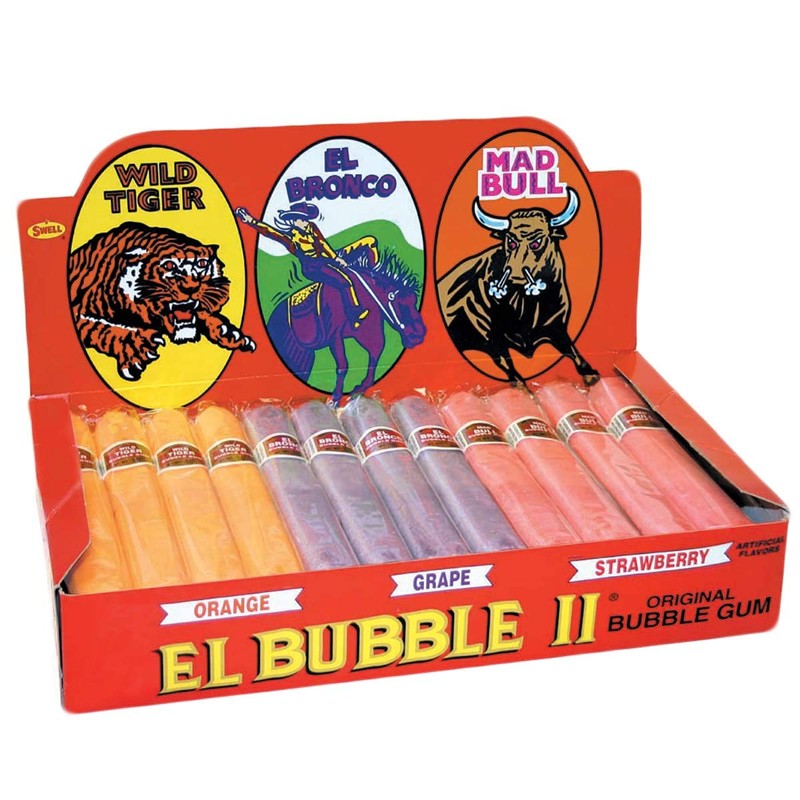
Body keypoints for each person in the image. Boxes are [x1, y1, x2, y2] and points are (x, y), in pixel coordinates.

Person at [236, 202, 379, 327]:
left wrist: (336, 258)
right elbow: (270, 232)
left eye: (306, 219)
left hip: (328, 257)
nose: (306, 222)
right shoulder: (291, 238)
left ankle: (374, 275)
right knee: (345, 282)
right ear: (294, 221)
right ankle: (353, 314)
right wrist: (250, 221)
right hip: (314, 267)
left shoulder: (311, 227)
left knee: (369, 241)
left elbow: (323, 243)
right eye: (303, 220)